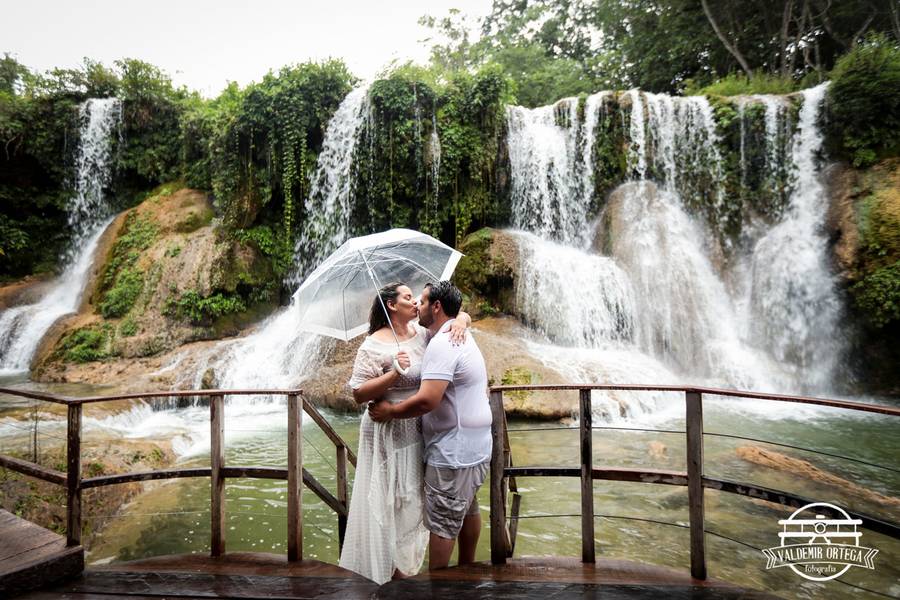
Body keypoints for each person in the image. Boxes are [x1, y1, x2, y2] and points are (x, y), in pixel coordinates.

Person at [338, 281, 470, 584]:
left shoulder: (423, 334)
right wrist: (394, 372)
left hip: (414, 430)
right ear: (391, 305)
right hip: (384, 431)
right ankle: (388, 574)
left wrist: (462, 319)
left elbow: (457, 318)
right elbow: (358, 393)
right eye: (408, 297)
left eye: (415, 298)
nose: (415, 302)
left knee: (411, 501)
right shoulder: (372, 344)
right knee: (385, 501)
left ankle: (405, 570)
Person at [369, 281, 492, 571]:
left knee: (443, 522)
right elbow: (461, 317)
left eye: (422, 302)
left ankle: (439, 587)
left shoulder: (442, 342)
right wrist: (462, 318)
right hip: (476, 445)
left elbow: (427, 400)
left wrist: (390, 411)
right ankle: (466, 573)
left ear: (436, 307)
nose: (417, 306)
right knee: (467, 508)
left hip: (453, 450)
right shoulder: (456, 332)